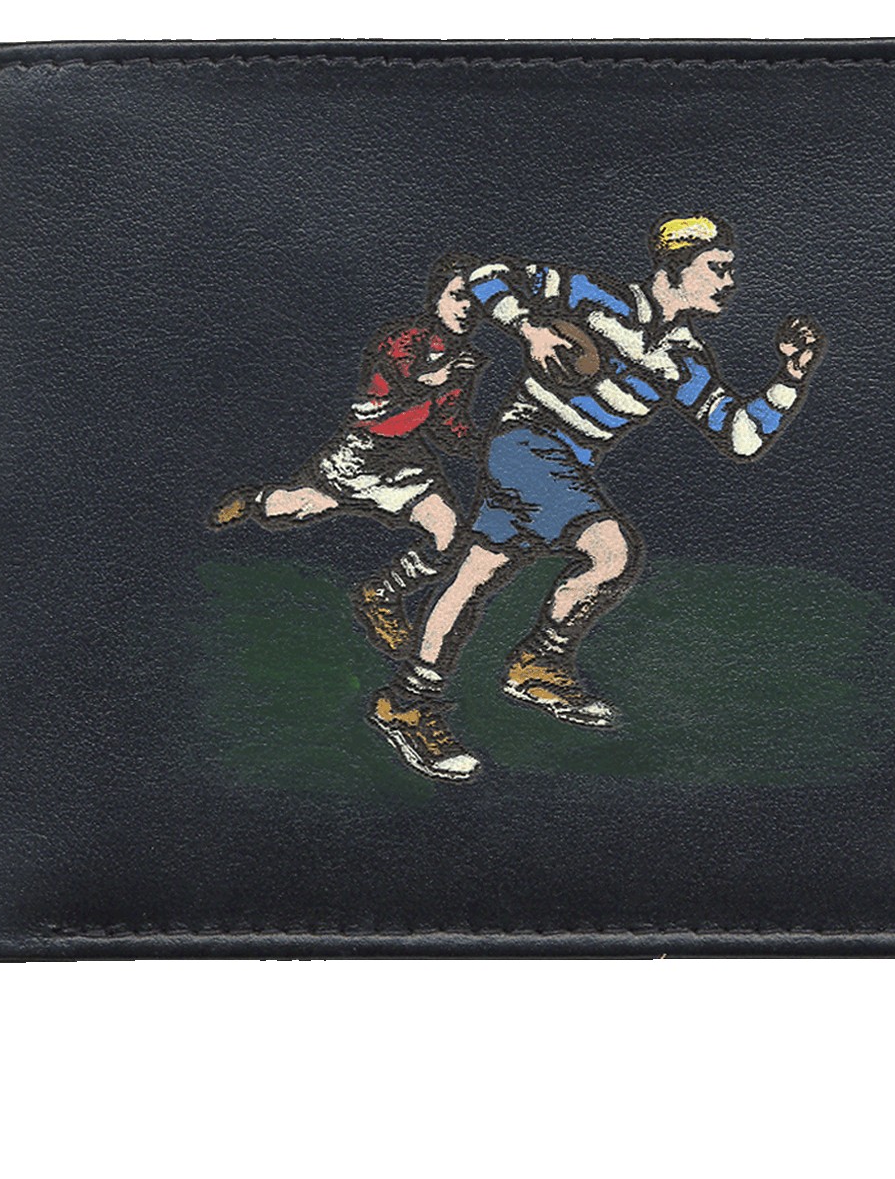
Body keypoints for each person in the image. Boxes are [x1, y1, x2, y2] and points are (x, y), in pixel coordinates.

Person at [368, 214, 826, 781]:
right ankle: (538, 661)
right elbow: (488, 275)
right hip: (525, 442)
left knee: (474, 576)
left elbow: (741, 436)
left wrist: (790, 377)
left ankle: (406, 701)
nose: (729, 282)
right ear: (675, 267)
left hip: (564, 463)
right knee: (612, 552)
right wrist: (530, 329)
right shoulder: (594, 296)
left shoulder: (685, 360)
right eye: (717, 268)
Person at [208, 254, 487, 655]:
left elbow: (447, 424)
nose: (467, 308)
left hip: (406, 458)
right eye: (458, 296)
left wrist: (486, 446)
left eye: (477, 301)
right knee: (300, 507)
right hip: (361, 452)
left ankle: (381, 596)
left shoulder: (464, 362)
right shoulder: (405, 338)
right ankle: (255, 501)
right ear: (436, 297)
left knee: (448, 534)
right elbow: (392, 385)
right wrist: (435, 378)